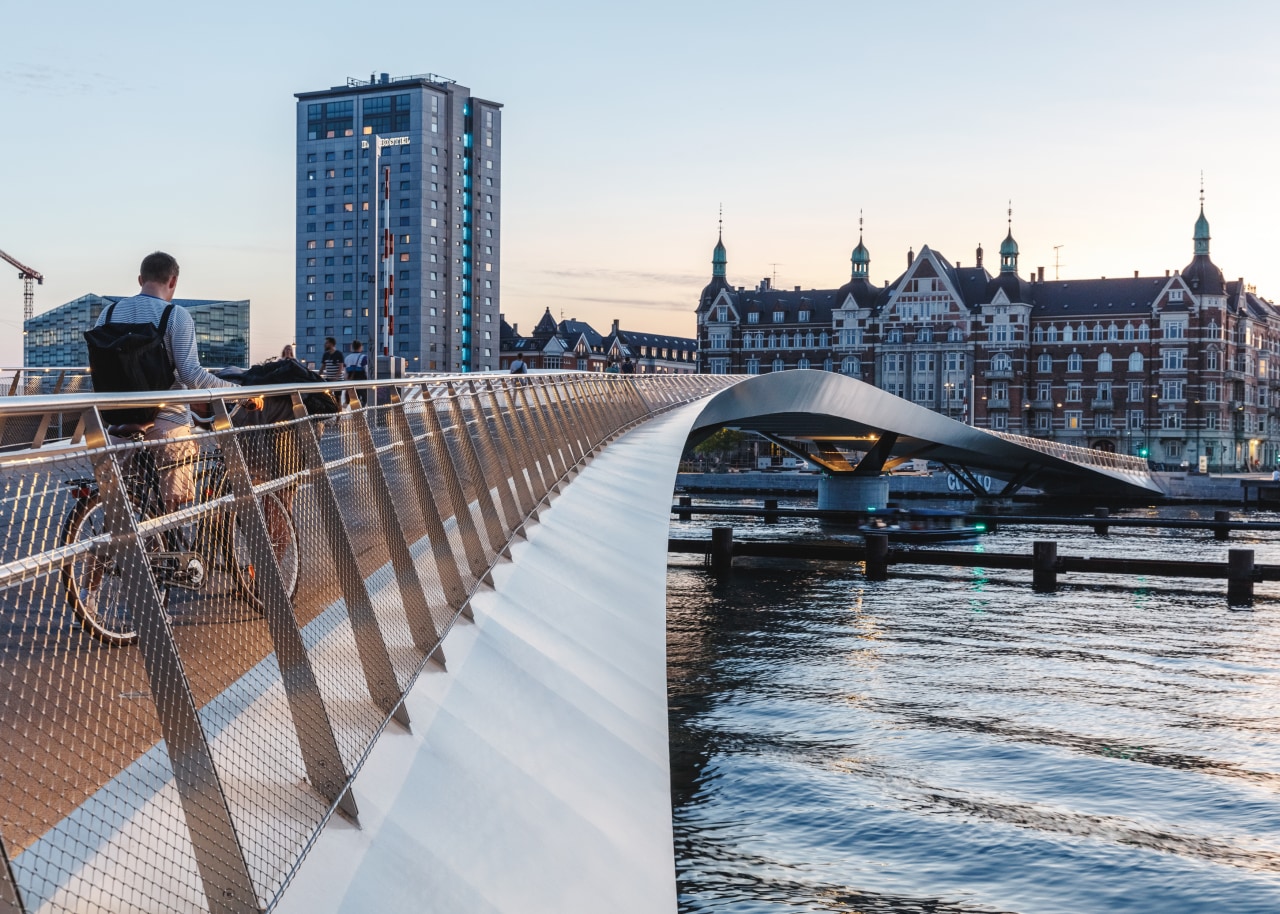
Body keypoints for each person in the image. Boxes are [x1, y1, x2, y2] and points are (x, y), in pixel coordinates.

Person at [92, 251, 261, 510]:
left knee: (118, 506)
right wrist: (240, 392)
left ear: (140, 279)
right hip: (166, 422)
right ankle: (165, 545)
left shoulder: (109, 313)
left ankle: (115, 547)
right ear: (173, 281)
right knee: (170, 511)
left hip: (117, 423)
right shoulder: (175, 315)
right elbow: (191, 375)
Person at [344, 340, 370, 406]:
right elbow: (367, 370)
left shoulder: (347, 358)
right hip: (362, 382)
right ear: (360, 347)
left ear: (352, 347)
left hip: (351, 382)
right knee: (364, 399)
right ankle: (362, 412)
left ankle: (355, 414)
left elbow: (345, 373)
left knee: (354, 400)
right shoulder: (364, 357)